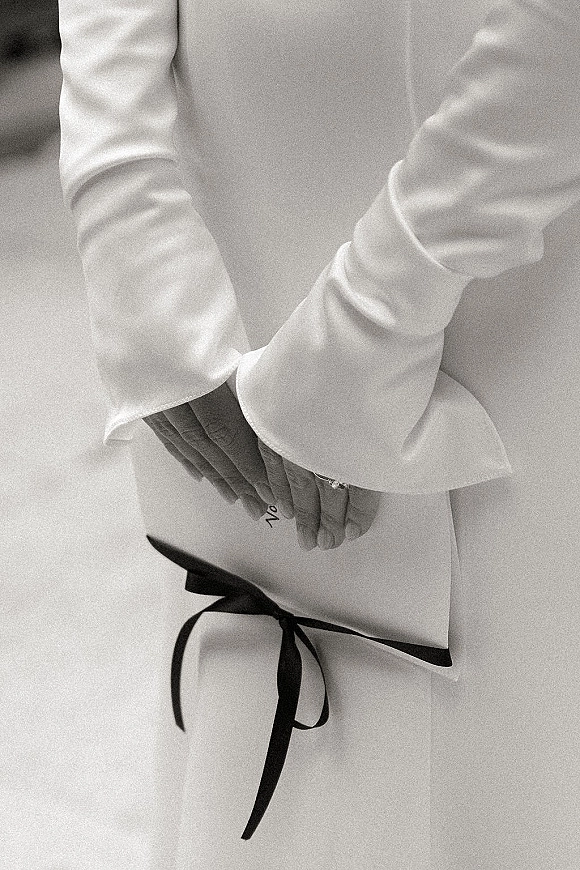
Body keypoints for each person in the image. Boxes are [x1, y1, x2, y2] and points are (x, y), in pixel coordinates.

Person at [58, 0, 580, 866]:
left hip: (496, 222)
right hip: (231, 242)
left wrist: (379, 313)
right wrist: (122, 203)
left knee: (503, 767)